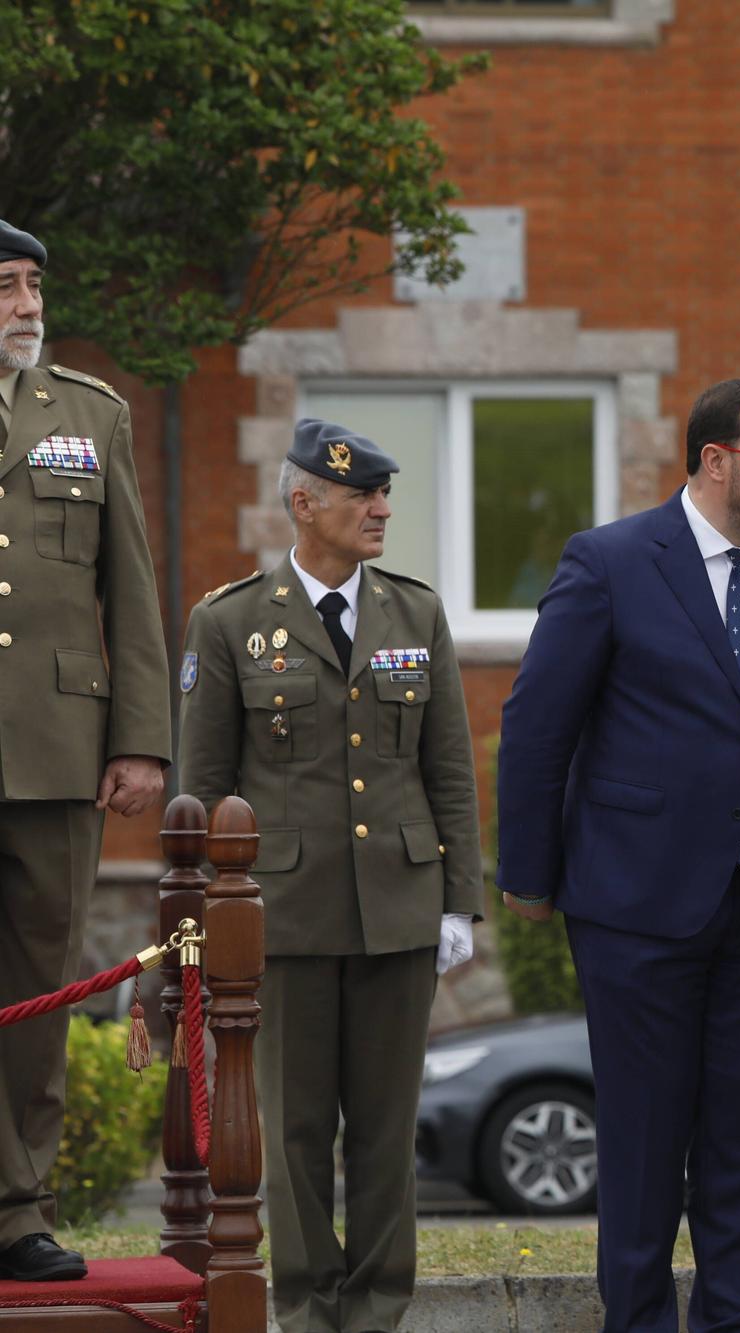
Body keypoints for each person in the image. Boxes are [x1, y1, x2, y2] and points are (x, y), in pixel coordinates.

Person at [497, 379, 740, 1332]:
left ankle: (729, 1319)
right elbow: (539, 722)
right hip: (634, 903)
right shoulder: (612, 560)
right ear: (712, 459)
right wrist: (528, 875)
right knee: (646, 1140)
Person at [177, 419, 482, 1331]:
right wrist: (205, 918)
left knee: (388, 1133)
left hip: (398, 906)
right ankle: (308, 1308)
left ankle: (379, 1308)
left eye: (386, 493)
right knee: (297, 1132)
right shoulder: (229, 620)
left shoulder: (415, 611)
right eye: (362, 496)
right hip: (286, 915)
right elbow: (201, 790)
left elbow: (450, 767)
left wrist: (459, 897)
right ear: (305, 503)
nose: (382, 509)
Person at [0, 219, 172, 1283]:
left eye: (31, 286)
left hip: (57, 748)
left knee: (41, 987)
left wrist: (141, 740)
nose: (26, 305)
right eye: (5, 288)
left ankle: (22, 1212)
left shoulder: (91, 415)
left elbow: (133, 589)